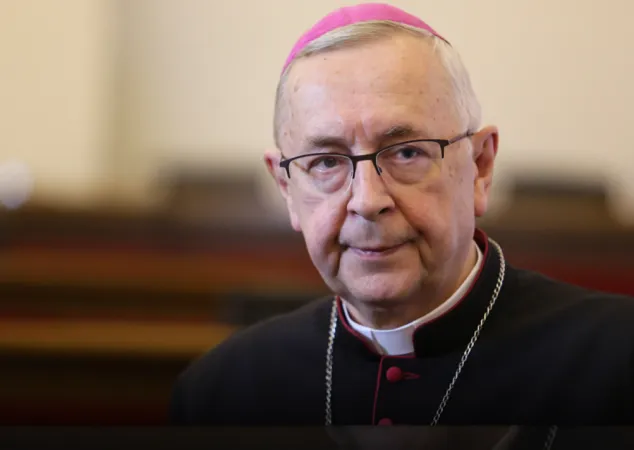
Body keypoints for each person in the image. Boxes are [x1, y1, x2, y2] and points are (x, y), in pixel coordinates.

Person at [170, 1, 634, 439]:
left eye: (407, 152)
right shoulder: (219, 393)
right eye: (326, 162)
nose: (367, 201)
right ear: (288, 190)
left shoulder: (617, 362)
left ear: (480, 167)